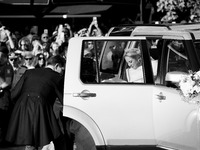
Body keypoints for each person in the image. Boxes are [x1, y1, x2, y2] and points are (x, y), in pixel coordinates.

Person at [5, 55, 66, 150]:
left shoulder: (29, 72)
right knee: (58, 138)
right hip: (41, 106)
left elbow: (14, 94)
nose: (62, 72)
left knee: (30, 141)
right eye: (62, 69)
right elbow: (64, 100)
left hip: (23, 105)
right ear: (57, 66)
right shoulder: (57, 76)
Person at [0, 46, 14, 146]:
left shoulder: (8, 67)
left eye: (0, 57)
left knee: (3, 118)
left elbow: (8, 82)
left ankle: (4, 140)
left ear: (5, 57)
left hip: (3, 96)